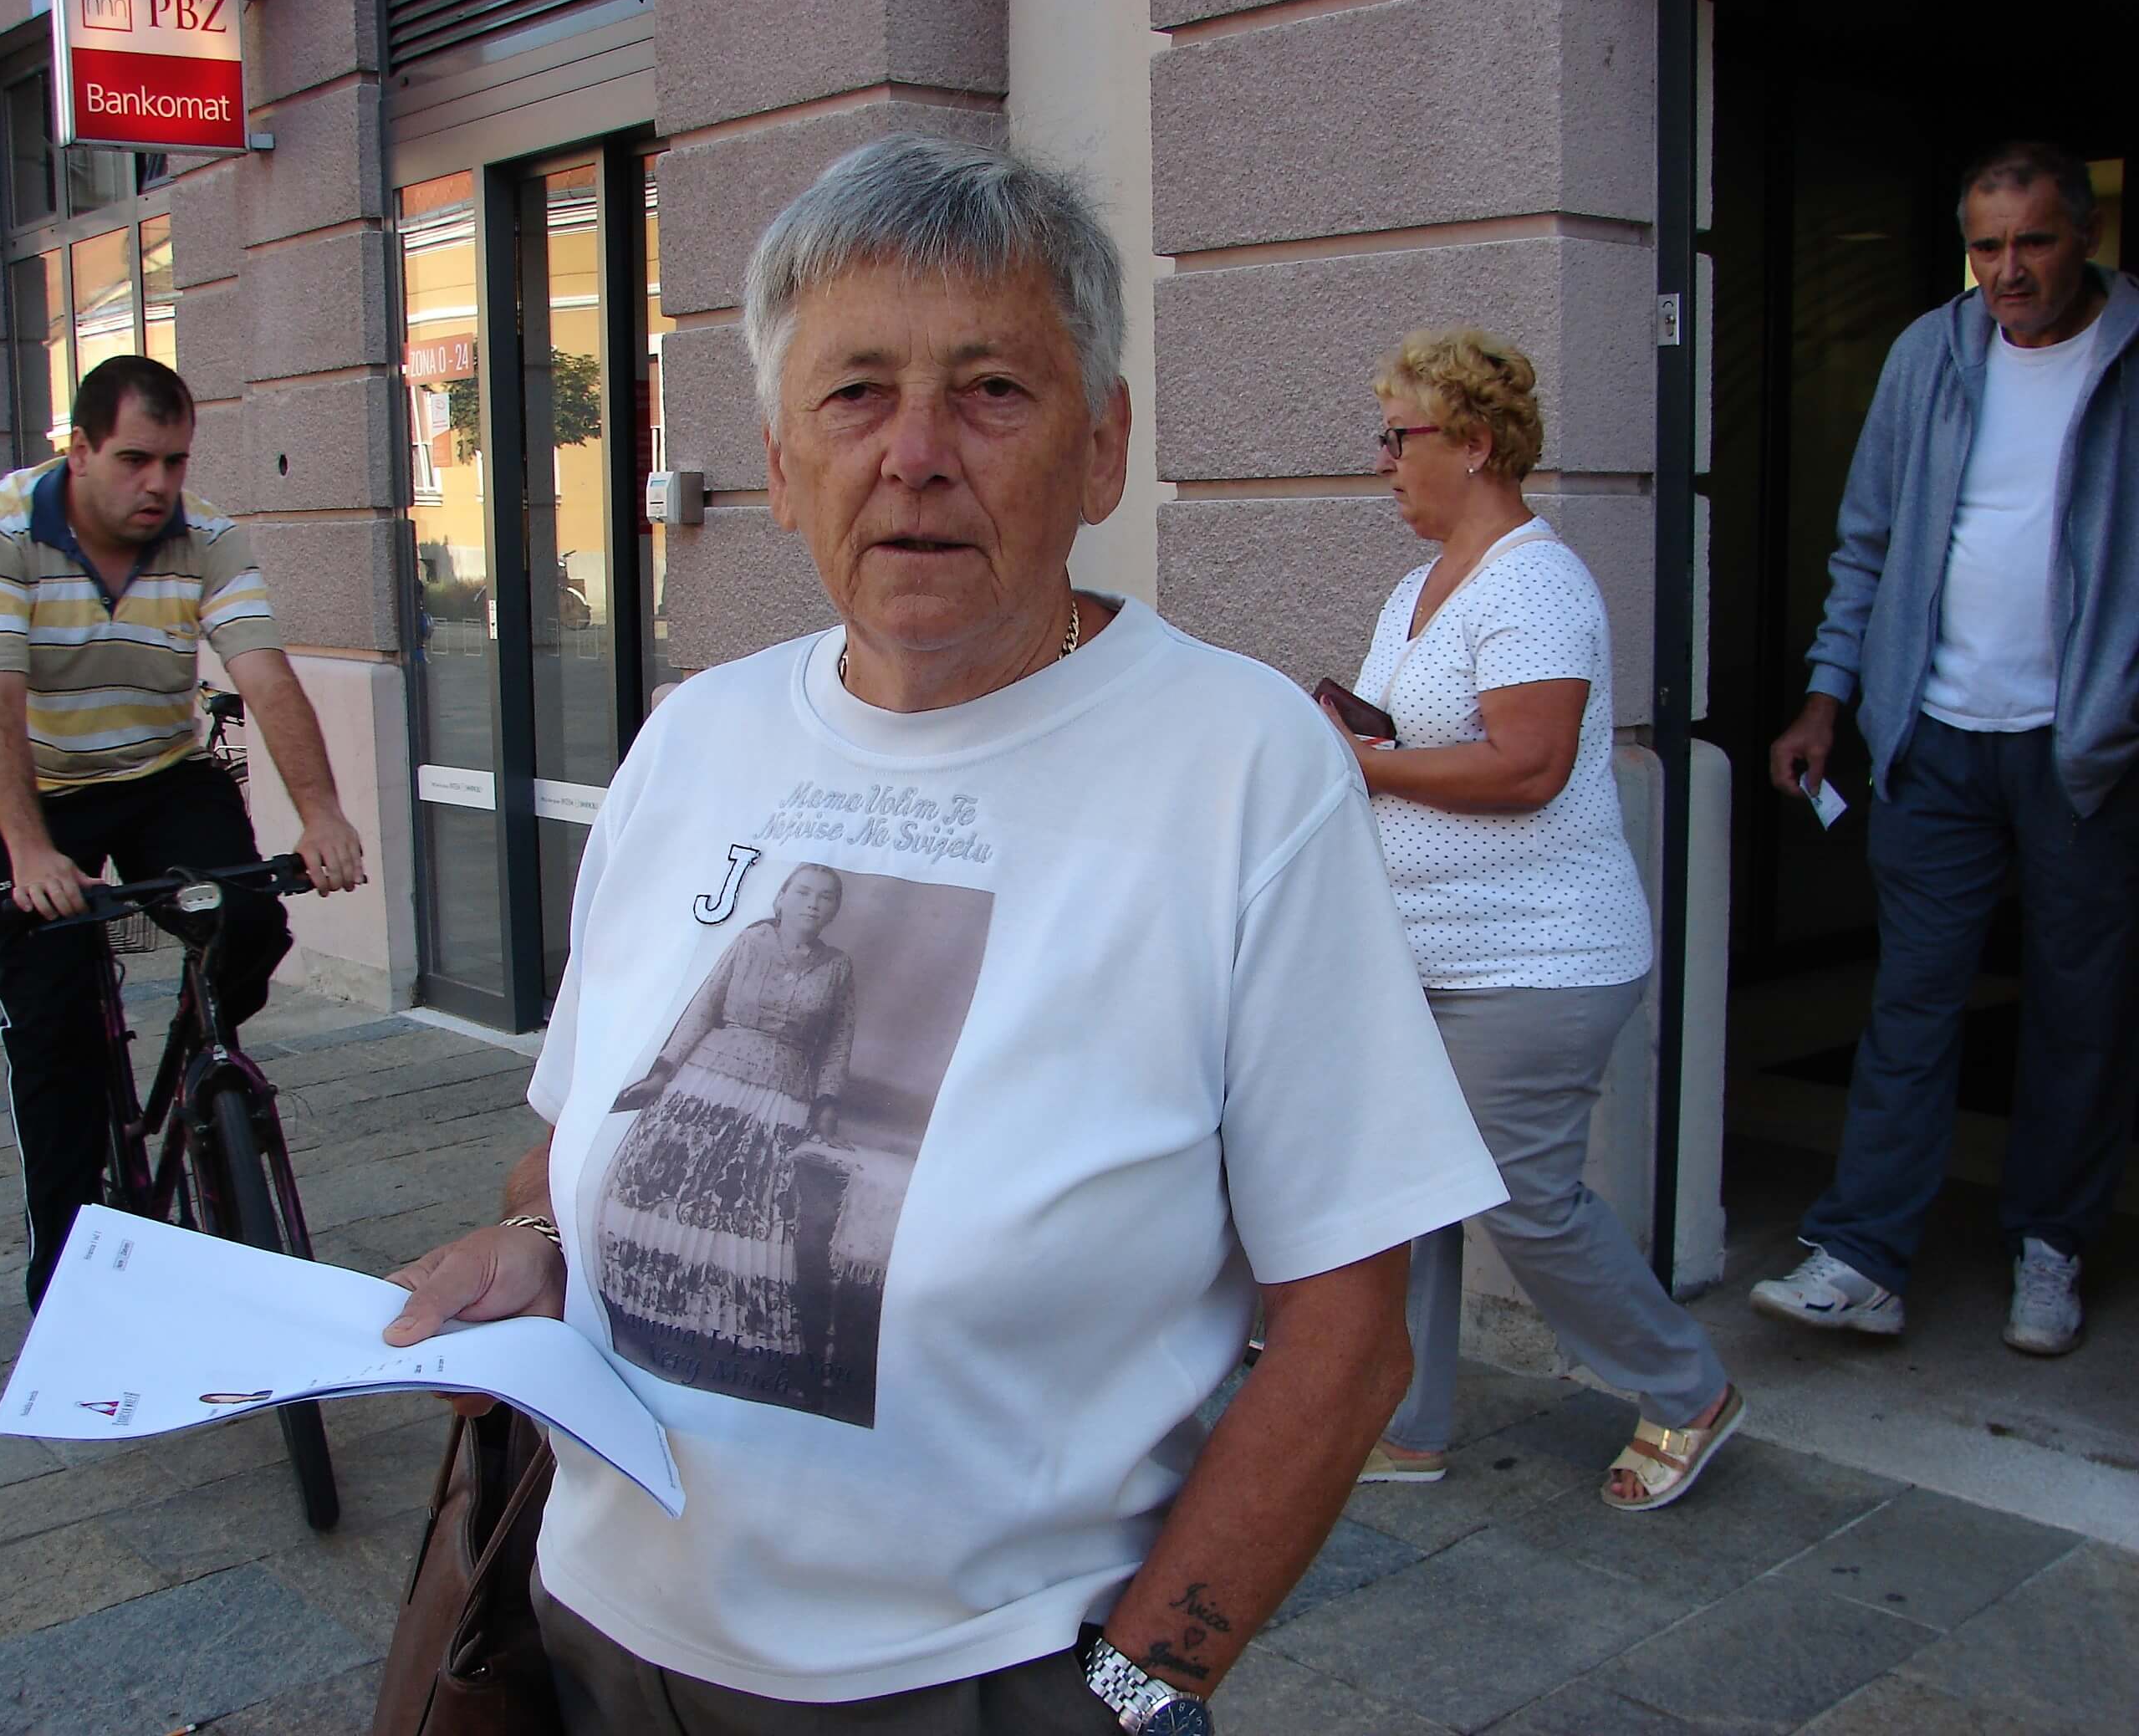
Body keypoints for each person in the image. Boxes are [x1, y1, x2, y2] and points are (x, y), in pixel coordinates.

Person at [383, 135, 1508, 1734]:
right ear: (781, 465)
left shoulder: (1242, 767)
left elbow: (1347, 1329)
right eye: (854, 395)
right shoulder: (693, 742)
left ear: (1101, 448)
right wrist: (536, 1241)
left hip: (963, 1681)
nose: (914, 454)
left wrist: (1129, 1691)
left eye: (990, 391)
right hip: (586, 1635)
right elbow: (580, 1132)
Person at [1333, 329, 1742, 1513]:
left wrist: (1363, 765)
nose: (1382, 463)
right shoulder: (1418, 590)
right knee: (1407, 1185)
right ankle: (1403, 1421)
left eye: (1398, 437)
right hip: (1426, 952)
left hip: (1536, 957)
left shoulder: (1535, 583)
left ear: (1472, 443)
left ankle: (1687, 1390)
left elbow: (1528, 766)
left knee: (1523, 1196)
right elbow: (1404, 741)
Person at [1758, 140, 2139, 1358]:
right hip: (1932, 736)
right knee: (1911, 1003)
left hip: (2084, 752)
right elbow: (1865, 542)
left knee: (2078, 1010)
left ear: (2085, 235)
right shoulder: (1929, 353)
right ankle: (1862, 1256)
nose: (2006, 270)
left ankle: (2052, 1245)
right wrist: (1826, 699)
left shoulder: (2130, 356)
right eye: (1985, 246)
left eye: (2031, 242)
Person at [0, 355, 365, 1312]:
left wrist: (321, 814)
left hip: (156, 774)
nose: (159, 484)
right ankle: (63, 1296)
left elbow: (264, 676)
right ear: (80, 450)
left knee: (250, 923)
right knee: (53, 1042)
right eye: (135, 459)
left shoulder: (206, 538)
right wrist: (29, 850)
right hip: (32, 790)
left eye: (175, 461)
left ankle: (196, 1061)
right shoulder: (0, 530)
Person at [598, 863, 858, 1411]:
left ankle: (720, 1338)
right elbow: (703, 1008)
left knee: (746, 1214)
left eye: (826, 897)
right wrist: (662, 1073)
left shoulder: (837, 968)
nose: (813, 904)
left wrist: (826, 1110)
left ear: (835, 910)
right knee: (668, 1194)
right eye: (803, 892)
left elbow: (838, 1043)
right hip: (705, 1081)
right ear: (781, 897)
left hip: (781, 1097)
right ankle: (645, 1317)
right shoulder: (750, 941)